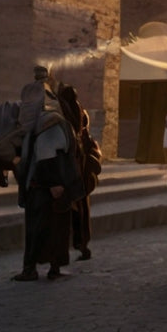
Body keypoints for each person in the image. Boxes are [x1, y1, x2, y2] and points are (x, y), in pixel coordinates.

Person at [12, 66, 85, 281]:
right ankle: (35, 268)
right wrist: (54, 183)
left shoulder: (46, 121)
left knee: (50, 229)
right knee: (43, 229)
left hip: (45, 186)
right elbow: (45, 155)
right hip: (46, 187)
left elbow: (43, 154)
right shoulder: (47, 123)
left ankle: (48, 267)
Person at [57, 84, 103, 260]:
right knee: (81, 208)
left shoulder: (67, 116)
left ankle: (69, 248)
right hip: (81, 170)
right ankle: (82, 245)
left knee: (73, 209)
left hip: (73, 168)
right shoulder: (80, 113)